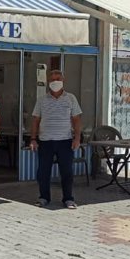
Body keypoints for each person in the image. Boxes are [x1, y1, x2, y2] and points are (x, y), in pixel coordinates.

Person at [30, 69, 82, 209]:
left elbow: (76, 119)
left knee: (67, 172)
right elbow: (35, 120)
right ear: (48, 82)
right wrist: (33, 139)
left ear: (63, 81)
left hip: (65, 141)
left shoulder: (71, 98)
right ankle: (43, 197)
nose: (55, 82)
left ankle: (68, 199)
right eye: (52, 79)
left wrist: (77, 138)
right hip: (45, 141)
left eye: (58, 79)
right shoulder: (42, 100)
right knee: (43, 172)